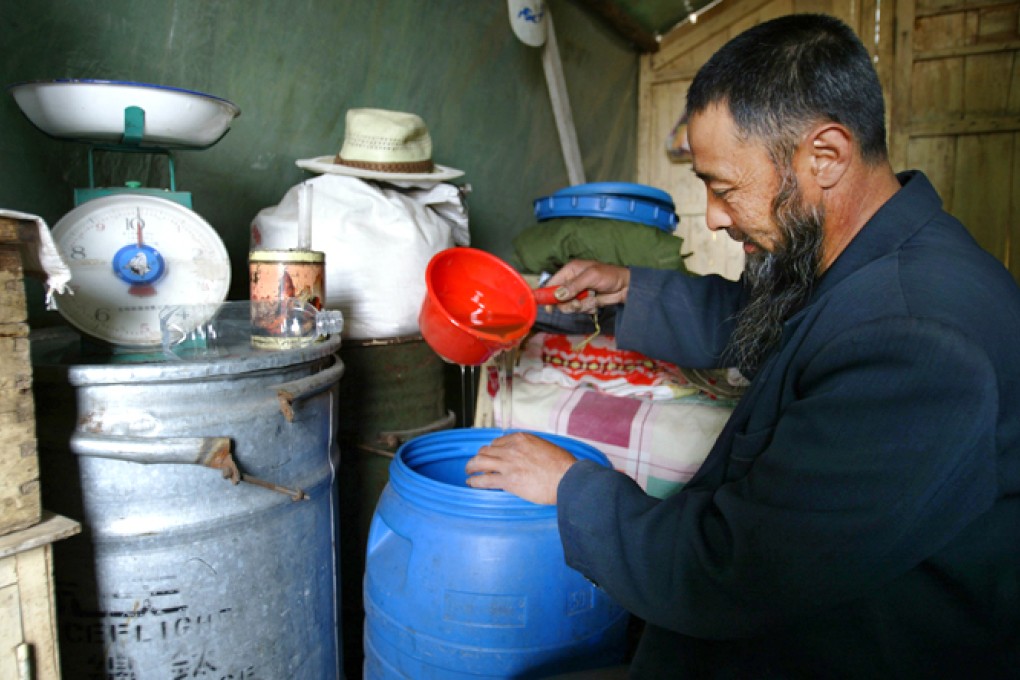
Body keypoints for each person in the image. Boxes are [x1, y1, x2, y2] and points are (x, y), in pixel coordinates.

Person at [465, 13, 1020, 679]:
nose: (716, 216)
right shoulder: (874, 259)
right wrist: (626, 292)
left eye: (722, 187)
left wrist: (569, 486)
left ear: (826, 156)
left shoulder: (920, 340)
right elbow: (767, 321)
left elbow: (733, 567)